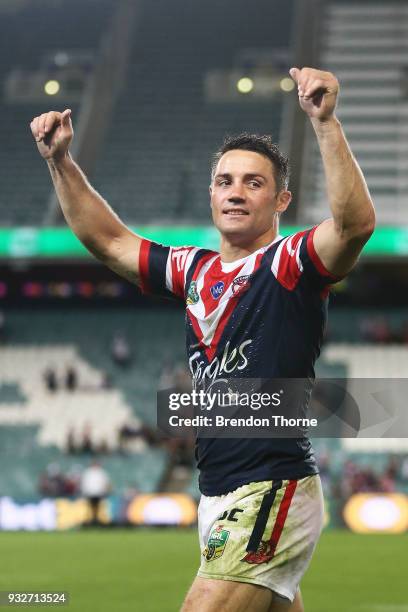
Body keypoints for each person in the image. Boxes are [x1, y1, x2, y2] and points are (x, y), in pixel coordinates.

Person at [30, 66, 375, 611]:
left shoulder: (287, 263)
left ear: (281, 201)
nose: (235, 193)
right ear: (211, 195)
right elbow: (109, 240)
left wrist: (325, 122)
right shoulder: (193, 271)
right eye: (224, 181)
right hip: (217, 489)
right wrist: (60, 162)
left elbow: (354, 227)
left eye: (253, 182)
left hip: (270, 483)